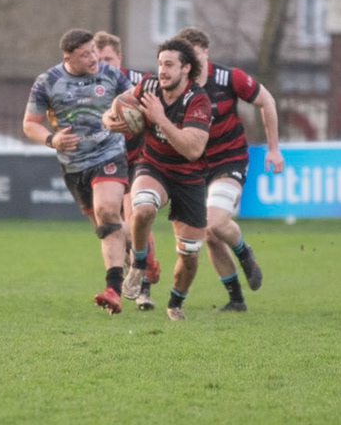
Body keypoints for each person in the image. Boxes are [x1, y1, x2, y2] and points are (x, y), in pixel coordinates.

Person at [24, 28, 137, 313]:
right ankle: (142, 244)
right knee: (106, 226)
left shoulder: (111, 75)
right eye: (85, 54)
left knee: (108, 212)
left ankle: (113, 290)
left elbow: (133, 104)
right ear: (68, 58)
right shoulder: (48, 81)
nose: (94, 58)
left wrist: (128, 118)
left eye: (94, 51)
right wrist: (52, 140)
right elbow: (30, 123)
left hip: (109, 153)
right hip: (74, 165)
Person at [174, 26, 285, 313]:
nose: (192, 62)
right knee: (209, 235)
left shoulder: (228, 78)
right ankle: (236, 300)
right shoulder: (176, 85)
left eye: (196, 54)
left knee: (215, 223)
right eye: (186, 57)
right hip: (195, 165)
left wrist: (273, 148)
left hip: (229, 160)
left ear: (206, 52)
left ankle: (244, 252)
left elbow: (266, 101)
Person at [113, 37, 213, 321]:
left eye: (169, 65)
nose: (162, 71)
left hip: (189, 178)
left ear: (186, 68)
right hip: (153, 165)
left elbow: (192, 150)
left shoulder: (198, 101)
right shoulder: (148, 86)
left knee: (189, 255)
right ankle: (138, 264)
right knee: (143, 208)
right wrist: (112, 120)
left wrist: (159, 118)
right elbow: (116, 108)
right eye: (160, 64)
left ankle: (175, 303)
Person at [94, 32, 161, 308]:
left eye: (108, 59)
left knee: (134, 219)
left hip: (138, 160)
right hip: (105, 163)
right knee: (111, 228)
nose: (103, 65)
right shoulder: (89, 87)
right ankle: (144, 265)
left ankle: (143, 288)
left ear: (119, 58)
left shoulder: (139, 83)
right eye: (98, 59)